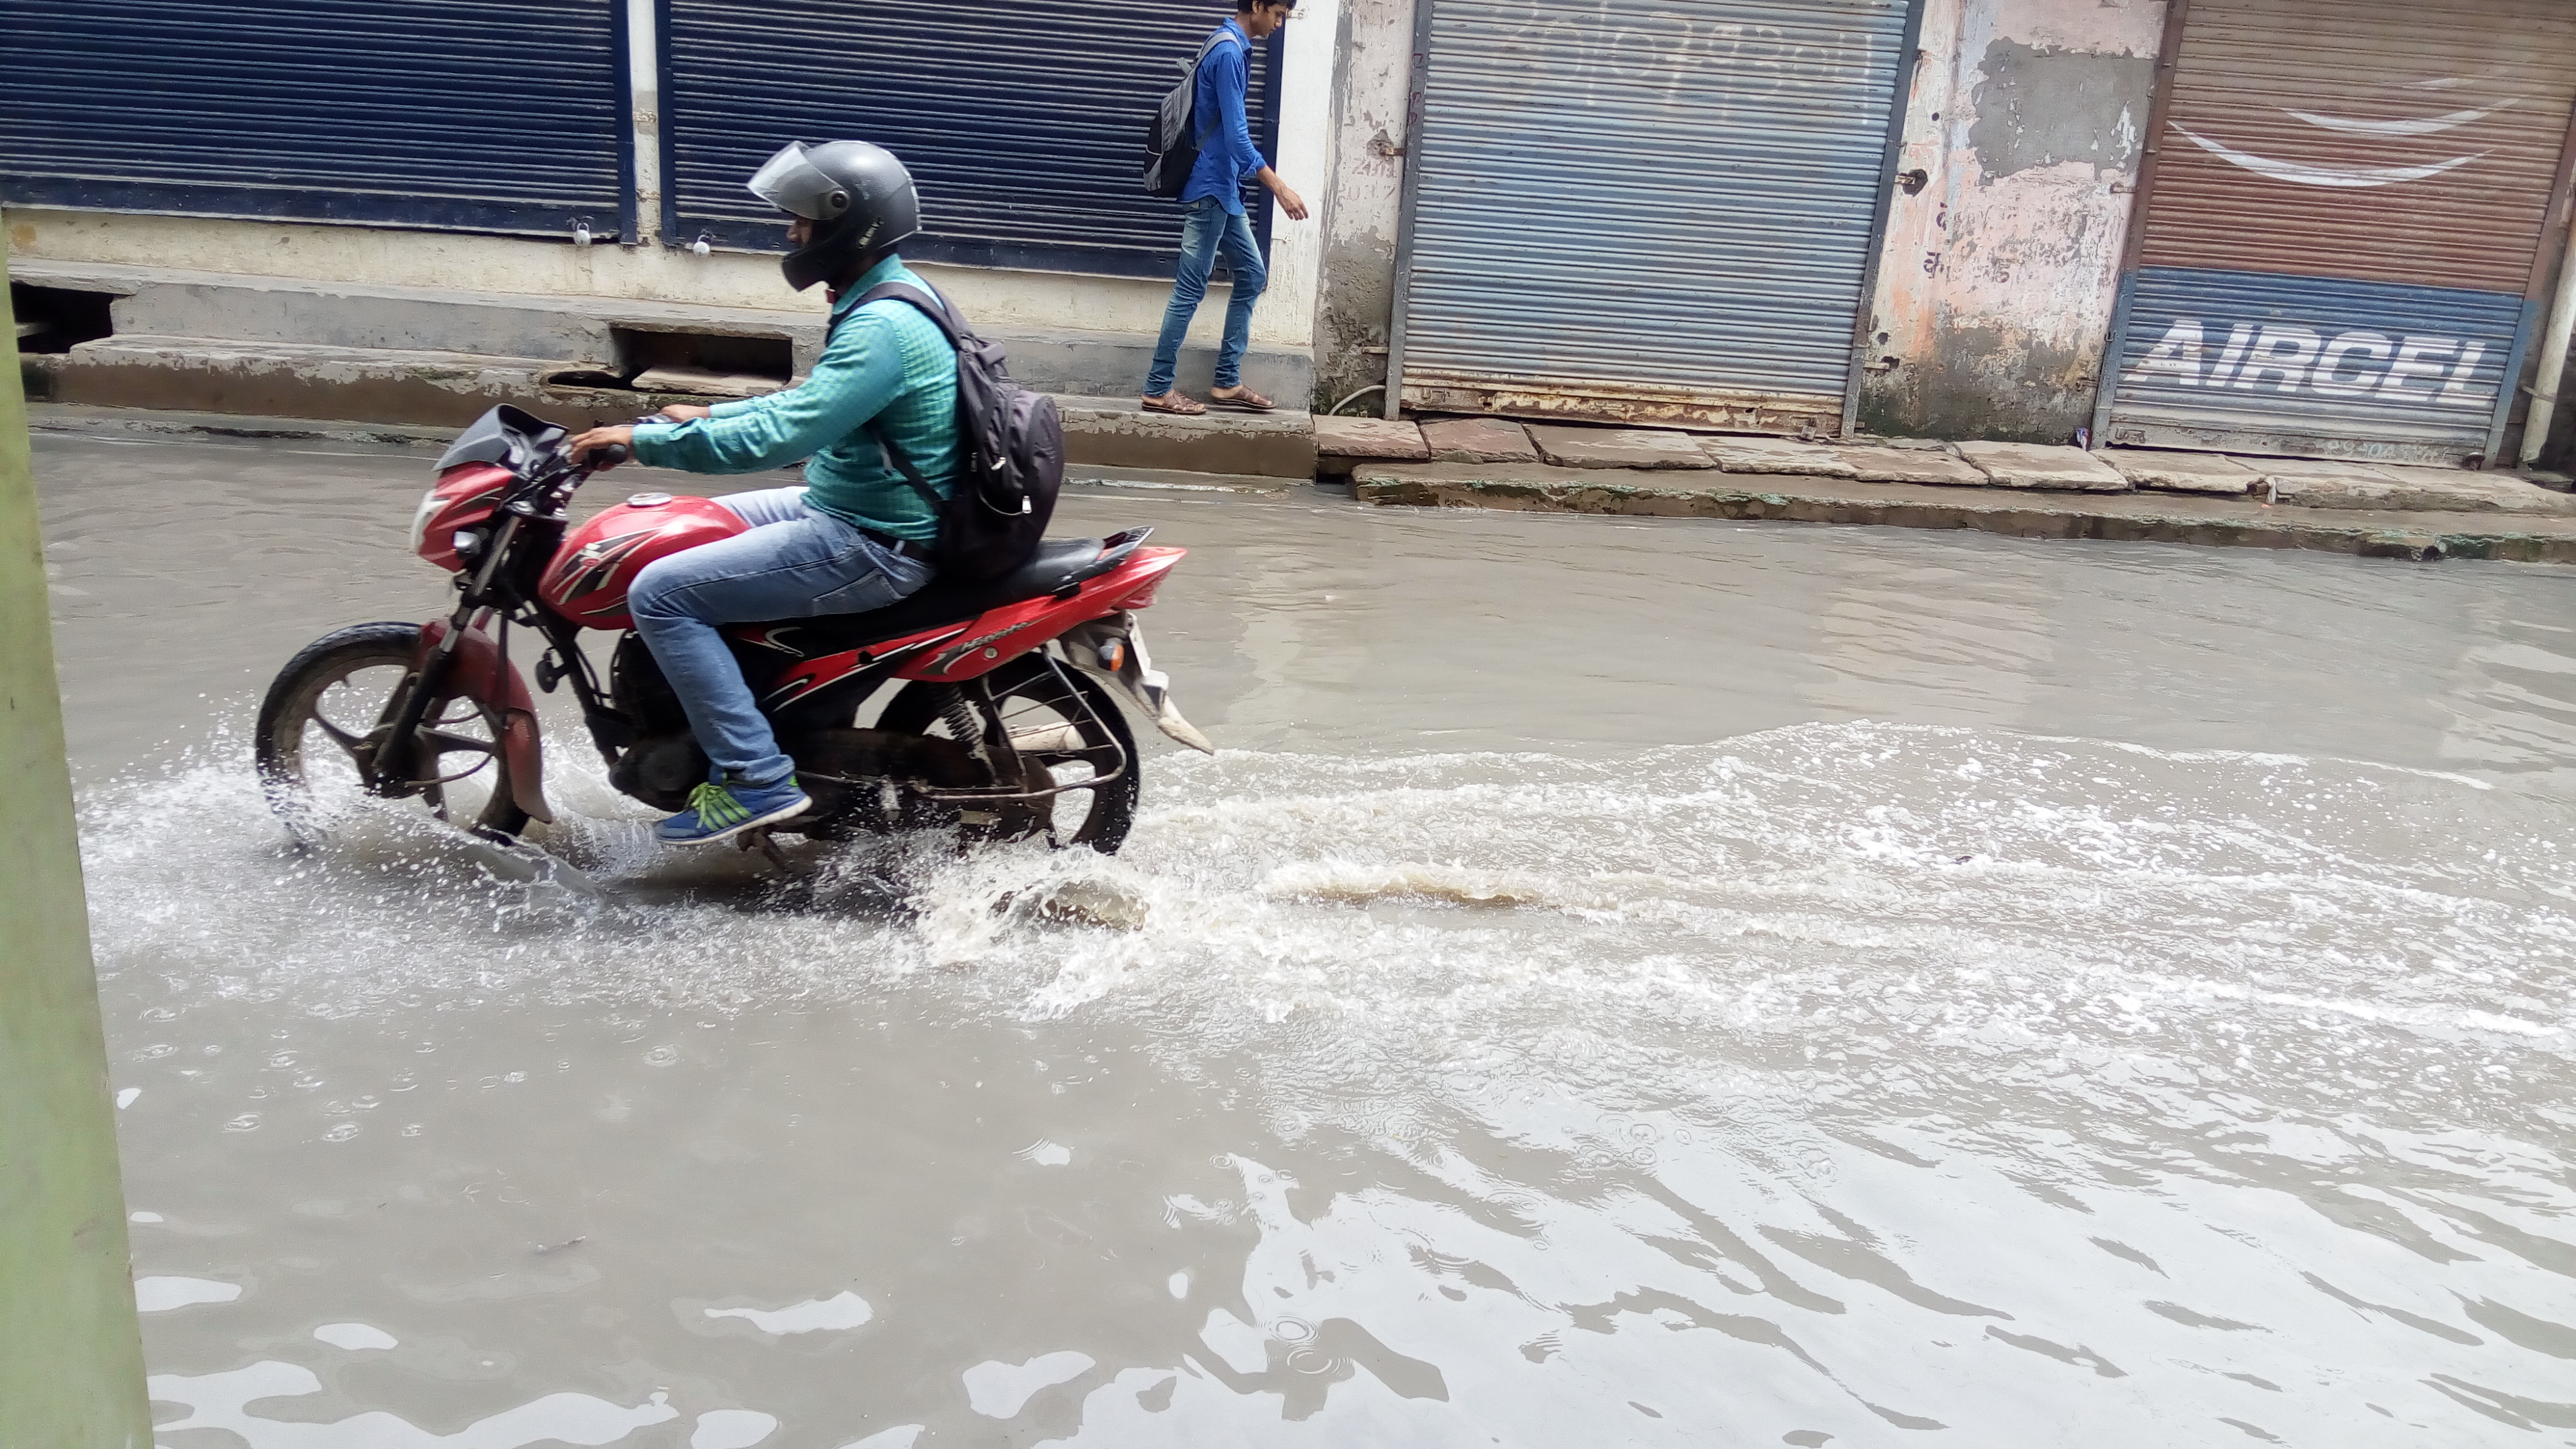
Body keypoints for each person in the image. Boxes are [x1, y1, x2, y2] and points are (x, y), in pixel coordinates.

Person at [567, 140, 960, 847]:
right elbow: (810, 407)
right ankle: (745, 709)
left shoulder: (882, 327)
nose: (792, 234)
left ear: (850, 225)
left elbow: (781, 438)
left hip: (873, 538)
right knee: (692, 523)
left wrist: (643, 441)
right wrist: (705, 415)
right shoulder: (892, 293)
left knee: (659, 592)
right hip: (853, 503)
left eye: (803, 222)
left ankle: (755, 776)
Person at [1140, 0, 1309, 417]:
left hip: (1223, 188)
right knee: (1190, 289)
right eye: (1278, 14)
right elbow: (1235, 136)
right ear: (1257, 6)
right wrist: (1279, 187)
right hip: (1211, 188)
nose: (1279, 24)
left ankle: (1227, 381)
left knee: (1252, 275)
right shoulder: (1230, 51)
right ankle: (1158, 388)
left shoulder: (1223, 41)